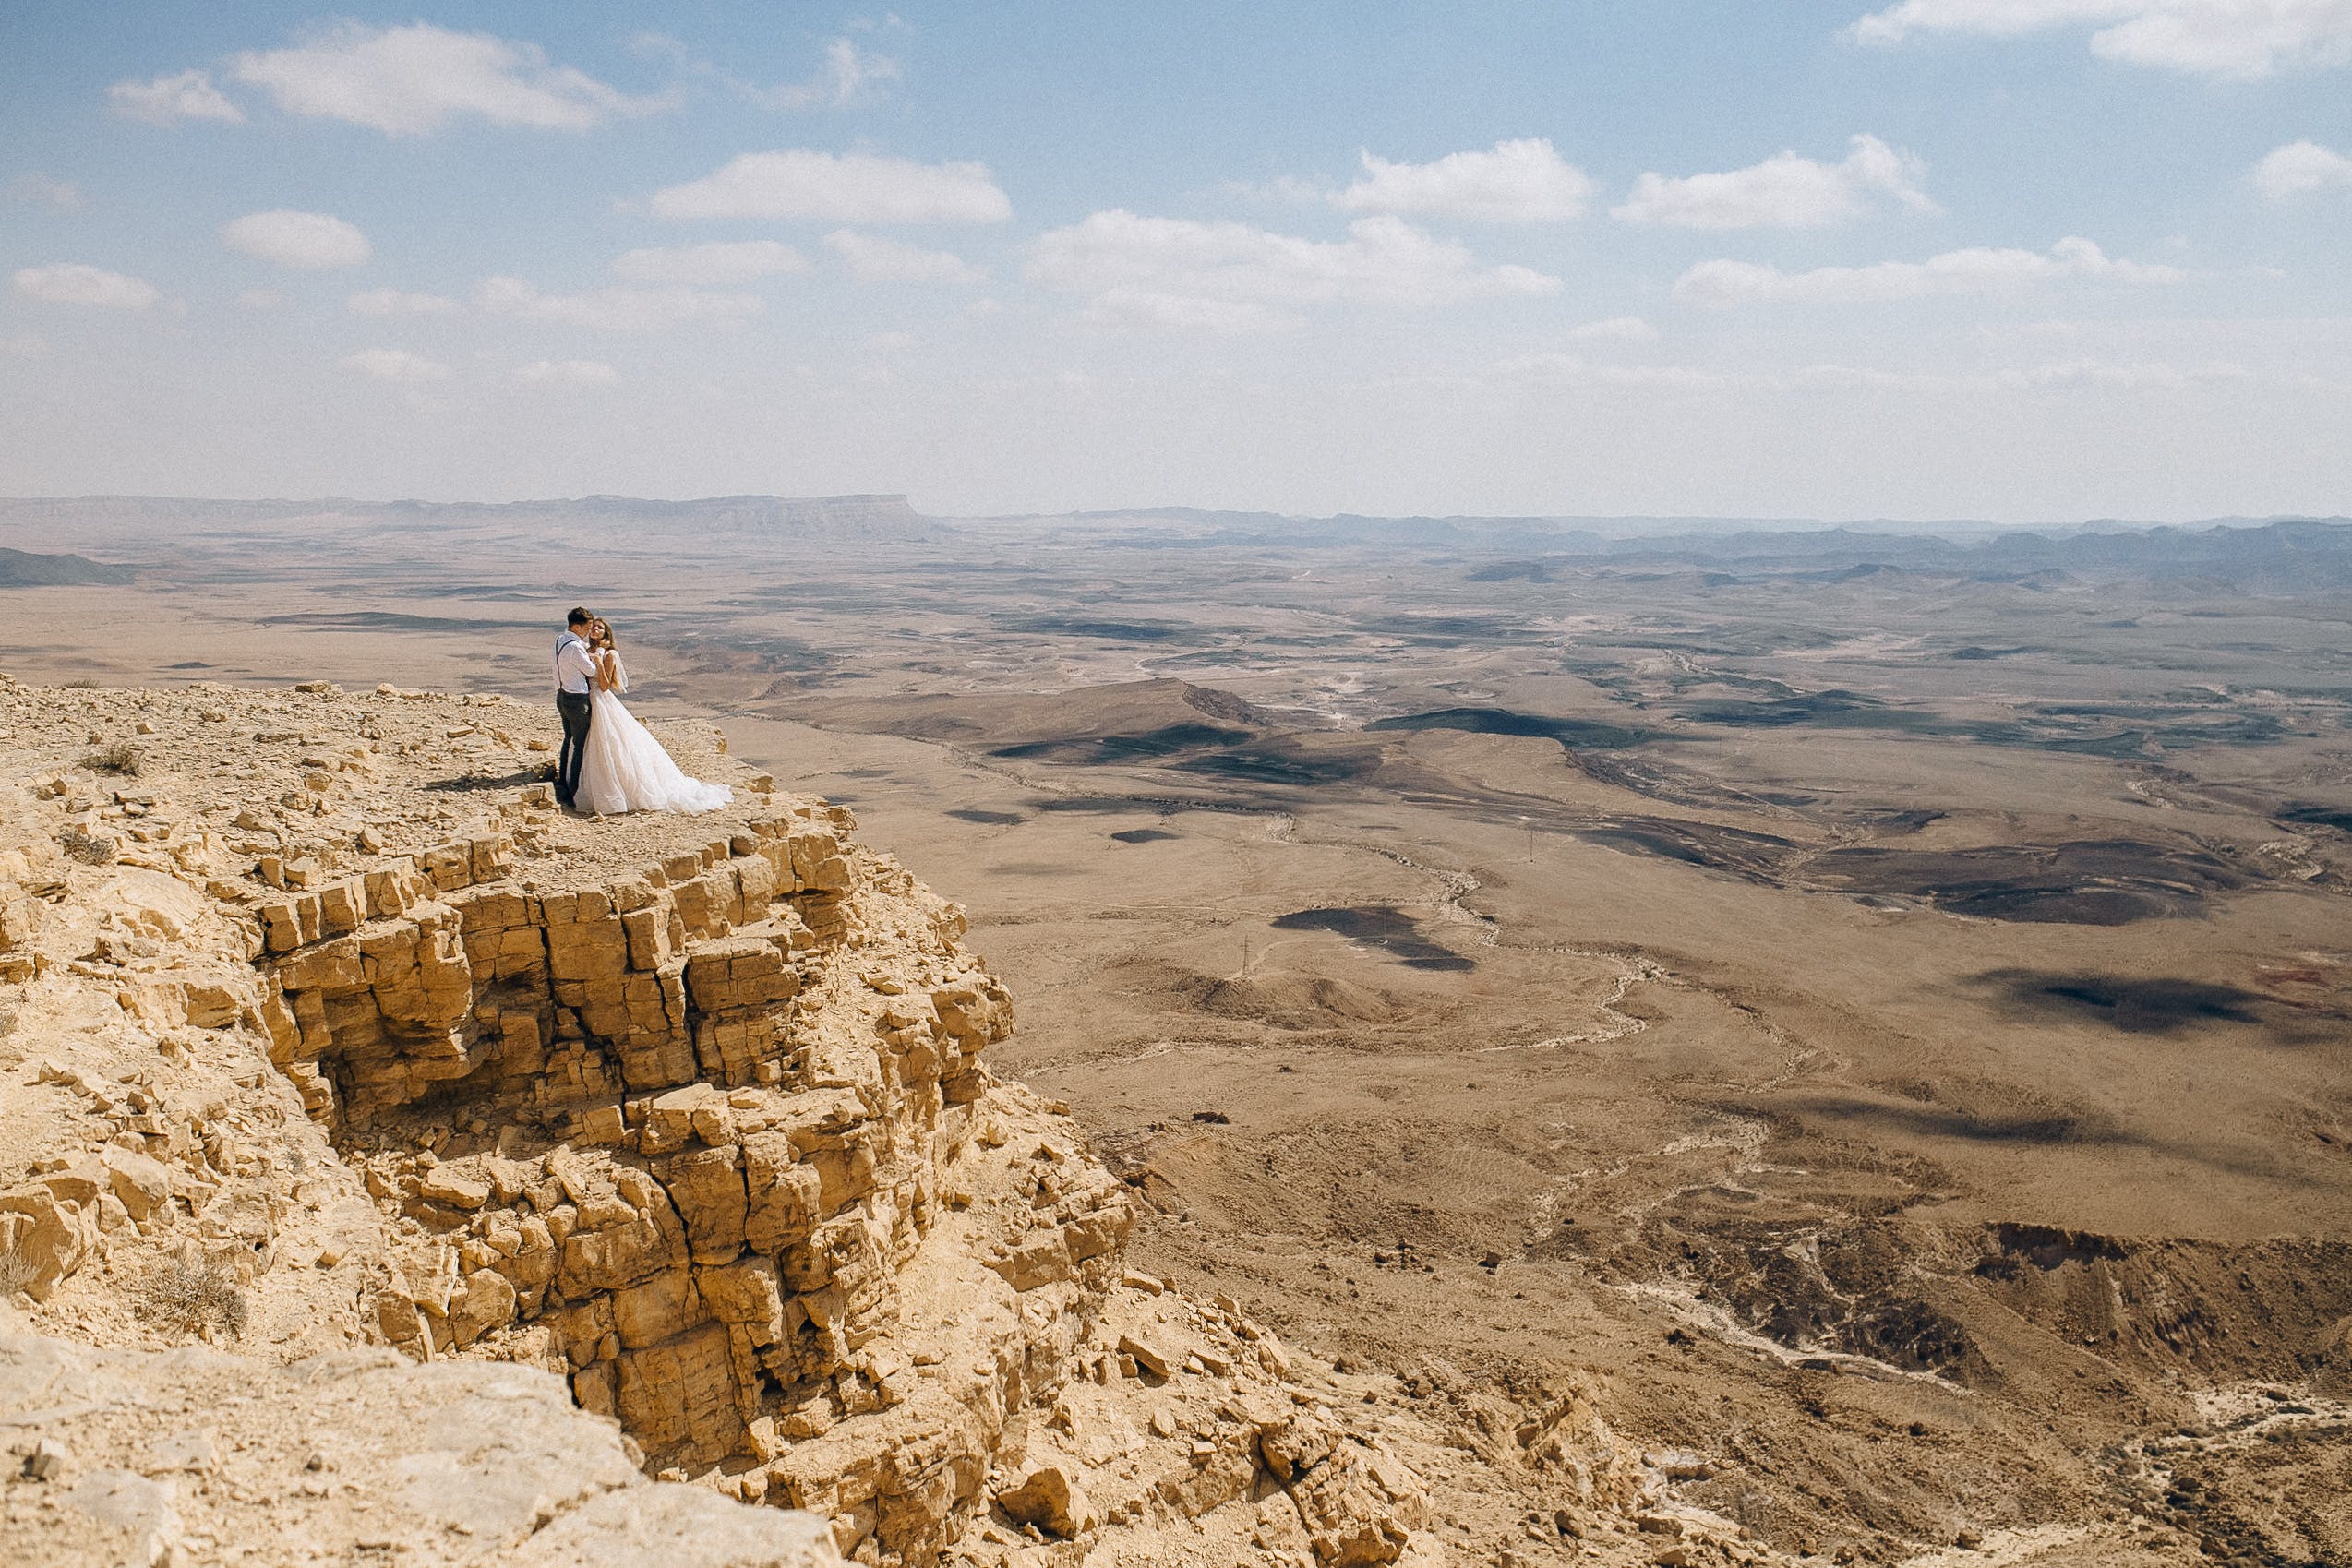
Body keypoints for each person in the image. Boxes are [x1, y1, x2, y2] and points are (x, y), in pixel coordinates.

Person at [572, 618, 735, 817]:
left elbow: (605, 685)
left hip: (601, 699)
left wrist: (598, 662)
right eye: (593, 627)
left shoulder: (609, 654)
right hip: (589, 699)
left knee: (609, 743)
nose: (595, 630)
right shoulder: (586, 649)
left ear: (607, 633)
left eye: (600, 628)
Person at [553, 607, 598, 808]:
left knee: (568, 738)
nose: (589, 632)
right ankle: (574, 790)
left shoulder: (559, 640)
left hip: (561, 695)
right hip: (577, 699)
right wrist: (597, 658)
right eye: (587, 628)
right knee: (579, 743)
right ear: (577, 627)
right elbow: (591, 670)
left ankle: (563, 780)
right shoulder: (575, 648)